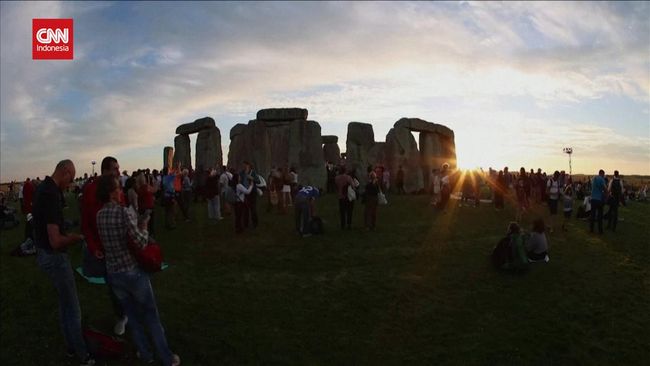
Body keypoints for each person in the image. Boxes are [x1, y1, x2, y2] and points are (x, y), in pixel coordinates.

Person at [95, 175, 180, 366]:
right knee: (151, 316)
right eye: (117, 189)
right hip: (132, 272)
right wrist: (143, 225)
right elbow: (141, 242)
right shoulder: (123, 213)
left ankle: (146, 354)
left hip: (114, 273)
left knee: (132, 318)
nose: (120, 192)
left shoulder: (99, 215)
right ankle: (166, 357)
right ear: (111, 193)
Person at [33, 160, 96, 366]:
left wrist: (66, 226)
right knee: (73, 307)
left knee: (64, 303)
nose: (70, 184)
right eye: (71, 178)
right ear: (65, 171)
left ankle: (70, 346)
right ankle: (83, 354)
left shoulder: (43, 188)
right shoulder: (50, 194)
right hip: (54, 257)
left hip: (44, 254)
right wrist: (76, 238)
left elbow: (48, 226)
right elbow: (56, 240)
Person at [80, 156, 129, 336]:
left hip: (119, 245)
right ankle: (122, 315)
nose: (118, 171)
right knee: (113, 284)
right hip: (102, 247)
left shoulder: (118, 189)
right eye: (115, 168)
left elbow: (122, 215)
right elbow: (86, 223)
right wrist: (94, 247)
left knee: (127, 280)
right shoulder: (90, 190)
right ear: (105, 171)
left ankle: (128, 311)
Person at [590, 169, 607, 234]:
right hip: (599, 199)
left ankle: (591, 229)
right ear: (602, 173)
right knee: (600, 216)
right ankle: (600, 231)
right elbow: (604, 188)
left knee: (592, 215)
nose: (603, 176)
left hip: (592, 199)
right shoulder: (602, 179)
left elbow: (592, 186)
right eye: (603, 174)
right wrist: (607, 193)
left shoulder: (594, 178)